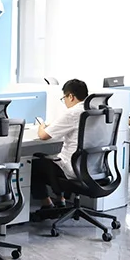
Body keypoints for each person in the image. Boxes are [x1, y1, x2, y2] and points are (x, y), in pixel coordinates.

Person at [31, 79, 89, 210]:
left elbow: (43, 136)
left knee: (35, 164)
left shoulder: (72, 112)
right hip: (93, 168)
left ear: (71, 96)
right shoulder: (94, 111)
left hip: (74, 169)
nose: (65, 102)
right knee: (55, 160)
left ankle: (47, 204)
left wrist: (41, 126)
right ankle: (60, 199)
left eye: (64, 98)